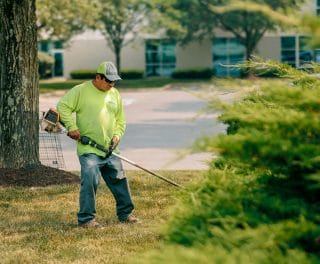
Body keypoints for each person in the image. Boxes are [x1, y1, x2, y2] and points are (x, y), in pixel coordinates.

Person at [57, 61, 139, 228]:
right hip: (89, 149)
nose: (112, 84)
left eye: (114, 81)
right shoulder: (80, 91)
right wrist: (72, 127)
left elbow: (120, 120)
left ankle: (125, 214)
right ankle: (86, 219)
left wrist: (116, 136)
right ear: (98, 77)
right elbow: (62, 107)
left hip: (109, 148)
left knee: (119, 180)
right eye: (108, 81)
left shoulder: (114, 94)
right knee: (90, 180)